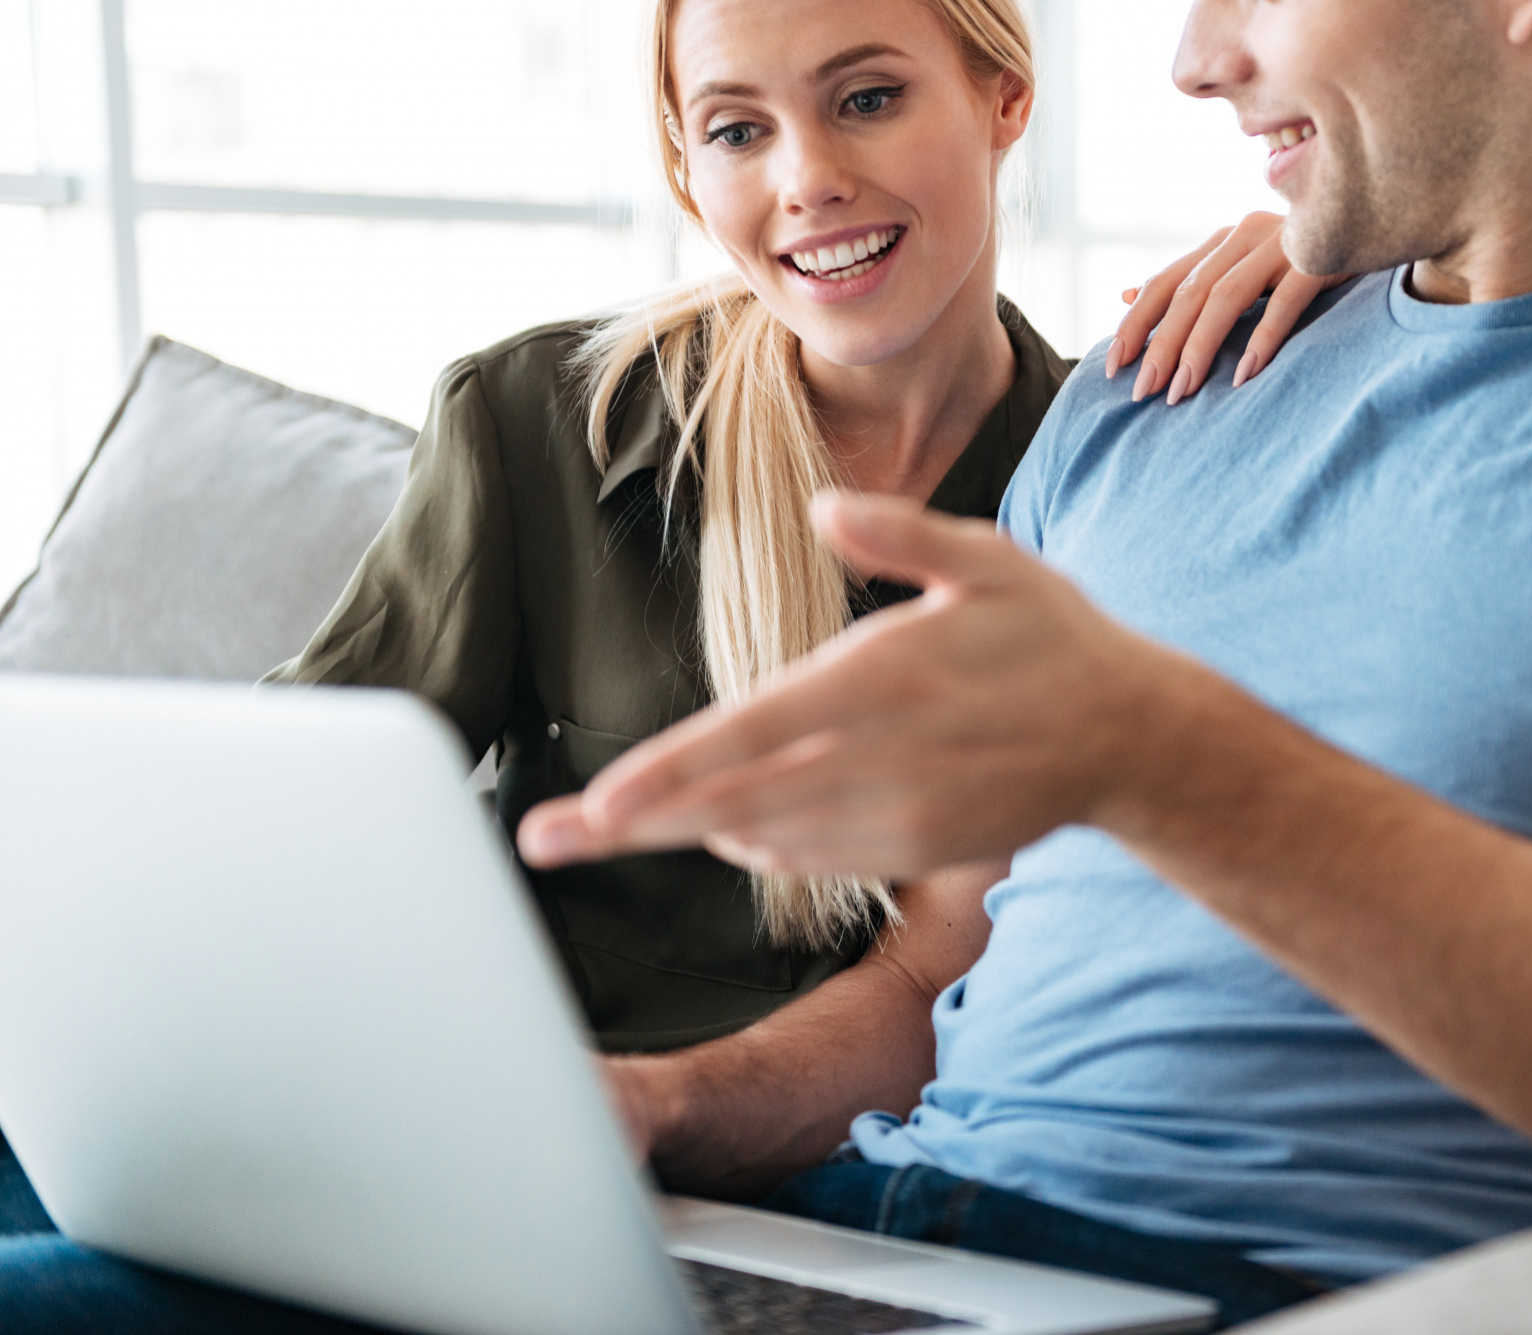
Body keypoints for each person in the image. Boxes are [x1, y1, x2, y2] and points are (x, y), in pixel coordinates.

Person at [510, 0, 1532, 1311]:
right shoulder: (1162, 389)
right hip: (874, 1257)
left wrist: (1168, 762)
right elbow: (930, 984)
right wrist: (659, 1106)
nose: (1193, 59)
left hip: (1268, 1284)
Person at [0, 0, 1333, 1328]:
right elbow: (263, 818)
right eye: (737, 129)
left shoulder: (1123, 499)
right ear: (686, 172)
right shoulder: (538, 427)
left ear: (1003, 99)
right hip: (445, 1159)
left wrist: (1336, 254)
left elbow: (954, 982)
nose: (807, 179)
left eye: (867, 98)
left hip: (775, 1216)